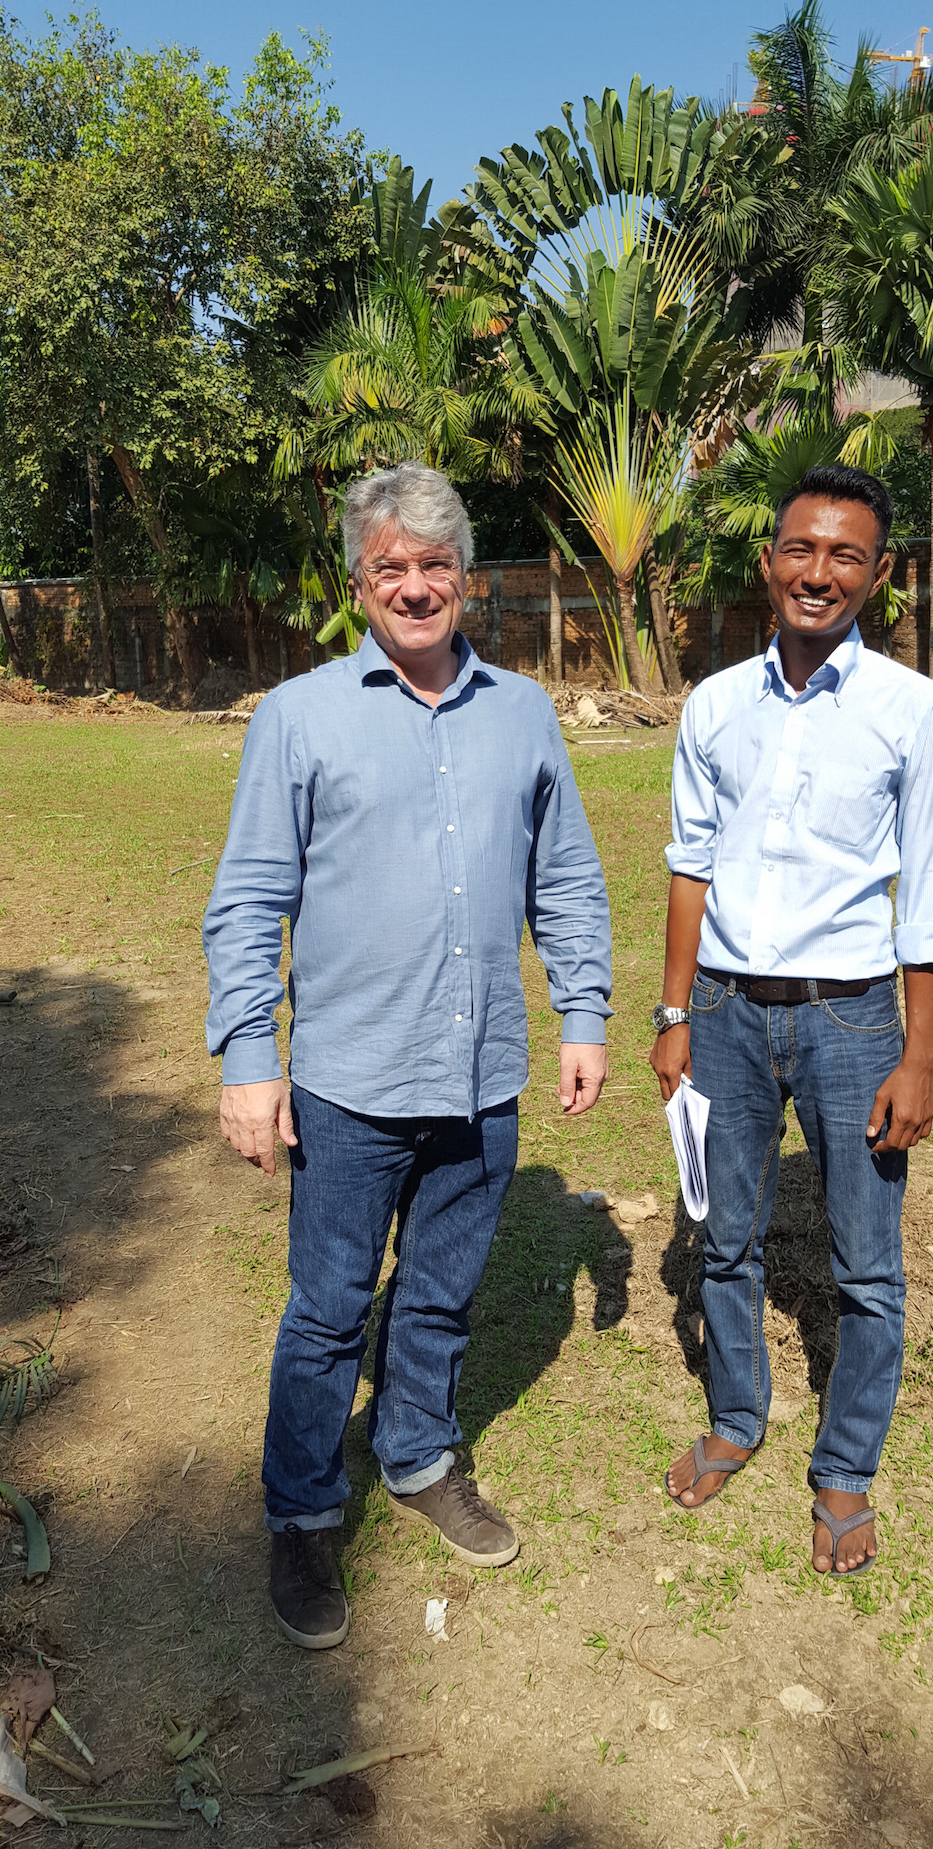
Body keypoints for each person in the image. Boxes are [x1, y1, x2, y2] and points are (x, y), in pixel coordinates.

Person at [204, 462, 611, 1648]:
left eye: (437, 566)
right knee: (328, 1309)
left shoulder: (525, 714)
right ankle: (300, 1513)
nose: (417, 587)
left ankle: (418, 1454)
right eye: (393, 568)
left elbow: (569, 881)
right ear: (360, 584)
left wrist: (581, 1014)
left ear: (469, 581)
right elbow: (247, 903)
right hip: (348, 1084)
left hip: (481, 1078)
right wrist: (247, 1059)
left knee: (440, 1291)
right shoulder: (300, 717)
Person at [649, 464, 933, 1577]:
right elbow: (690, 864)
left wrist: (918, 1055)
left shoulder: (916, 714)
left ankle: (845, 1469)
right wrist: (676, 1010)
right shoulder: (715, 706)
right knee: (722, 1239)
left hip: (853, 1023)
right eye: (799, 549)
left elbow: (928, 899)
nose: (816, 572)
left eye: (843, 555)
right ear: (769, 561)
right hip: (727, 1012)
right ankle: (739, 1417)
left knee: (864, 1266)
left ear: (880, 574)